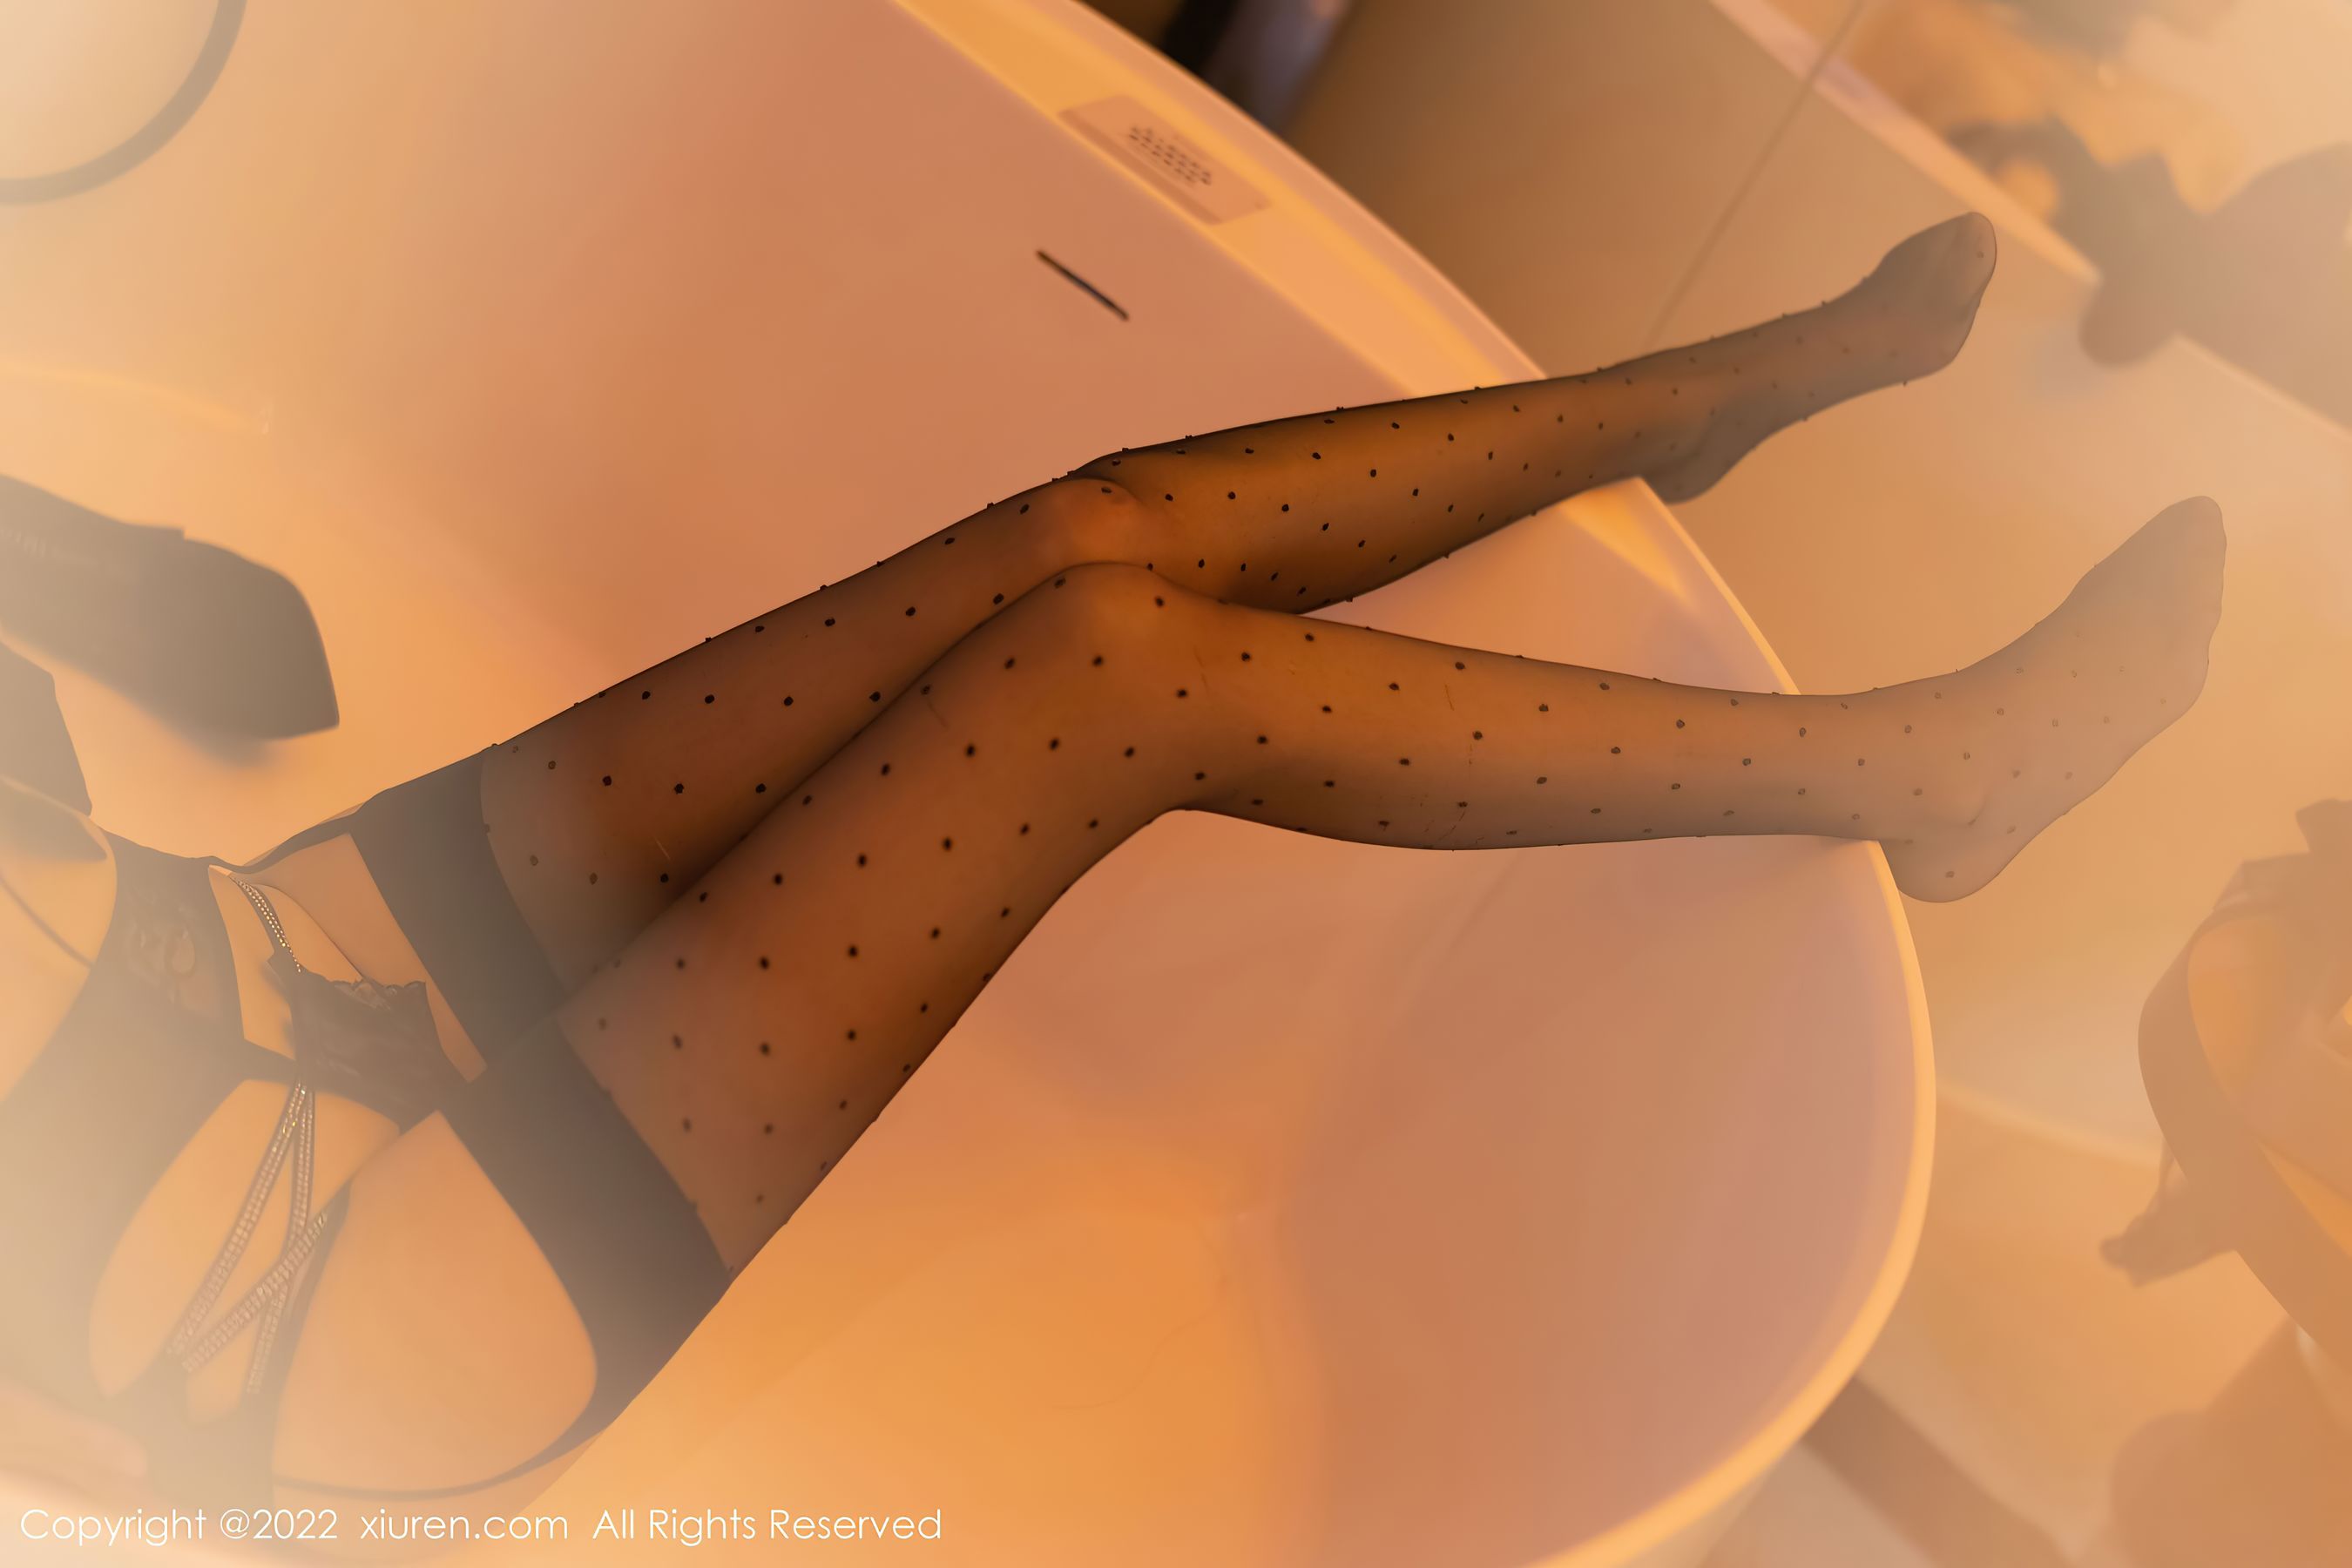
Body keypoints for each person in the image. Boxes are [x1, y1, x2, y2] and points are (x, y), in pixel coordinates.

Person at [0, 213, 2226, 1518]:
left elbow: (224, 656)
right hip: (282, 1310)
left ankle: (1701, 403)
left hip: (246, 956)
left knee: (1080, 539)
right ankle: (1926, 775)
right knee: (1108, 676)